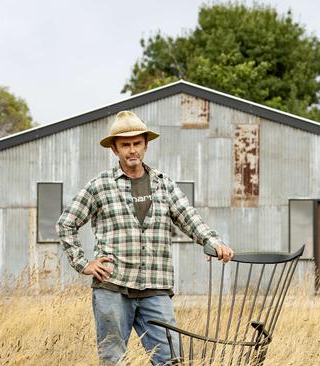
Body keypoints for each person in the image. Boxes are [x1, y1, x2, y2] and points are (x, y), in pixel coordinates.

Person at [57, 110, 234, 365]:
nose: (132, 150)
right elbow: (66, 223)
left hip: (155, 287)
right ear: (115, 150)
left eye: (137, 143)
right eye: (125, 145)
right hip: (113, 287)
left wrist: (213, 241)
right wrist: (83, 263)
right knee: (113, 359)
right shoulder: (100, 186)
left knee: (171, 359)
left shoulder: (164, 184)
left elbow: (189, 218)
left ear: (146, 145)